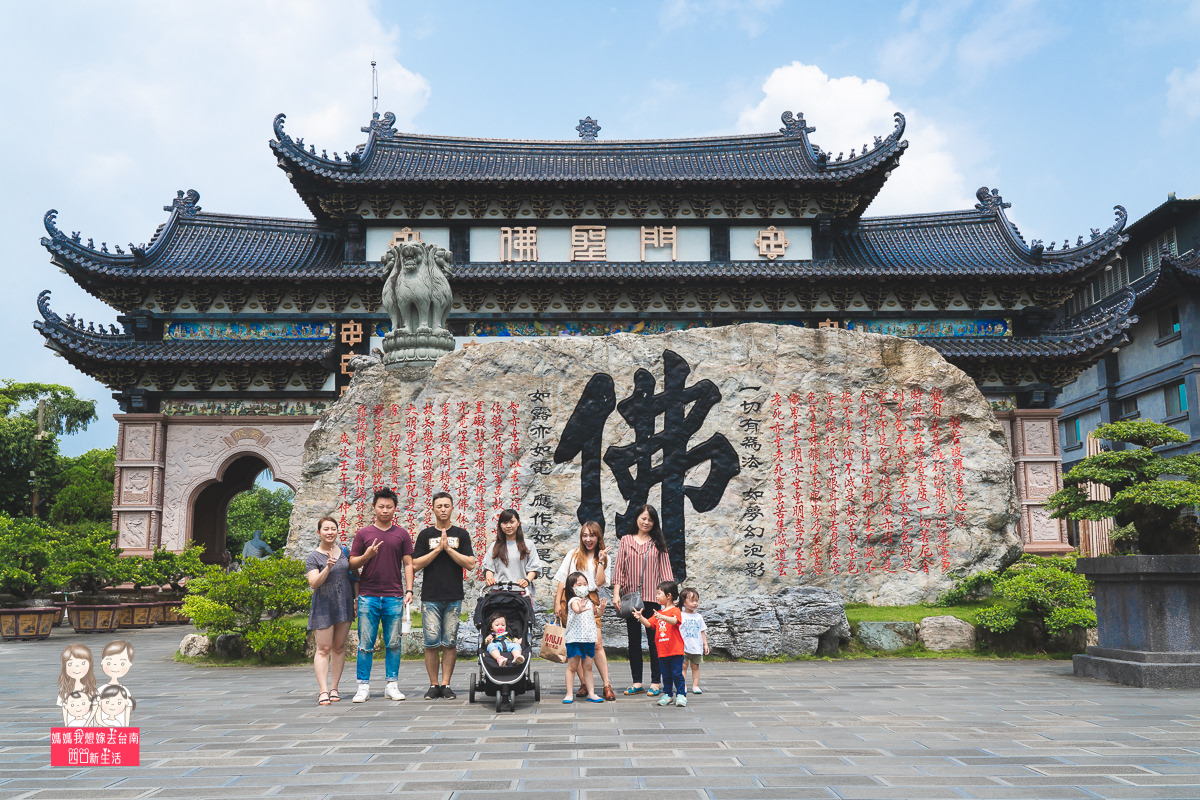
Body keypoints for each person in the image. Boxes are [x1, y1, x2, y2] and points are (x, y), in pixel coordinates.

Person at [349, 487, 415, 703]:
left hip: (394, 596)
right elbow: (352, 564)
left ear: (395, 508)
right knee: (365, 643)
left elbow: (408, 564)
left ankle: (391, 684)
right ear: (374, 508)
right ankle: (363, 686)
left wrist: (409, 590)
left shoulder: (401, 534)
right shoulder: (363, 534)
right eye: (381, 506)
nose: (385, 510)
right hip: (368, 595)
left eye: (389, 506)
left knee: (394, 643)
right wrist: (366, 556)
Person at [412, 491, 475, 700]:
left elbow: (470, 563)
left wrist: (448, 549)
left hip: (453, 596)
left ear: (452, 508)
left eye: (446, 506)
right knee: (431, 642)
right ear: (433, 508)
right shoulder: (425, 535)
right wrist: (438, 549)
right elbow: (415, 564)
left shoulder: (461, 534)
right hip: (430, 596)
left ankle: (446, 684)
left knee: (450, 642)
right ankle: (433, 684)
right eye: (439, 506)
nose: (443, 509)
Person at [611, 504, 675, 696]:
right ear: (637, 518)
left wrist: (669, 600)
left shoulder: (658, 543)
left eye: (650, 519)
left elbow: (666, 572)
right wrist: (616, 594)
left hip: (654, 600)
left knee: (655, 641)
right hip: (631, 600)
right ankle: (637, 682)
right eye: (643, 518)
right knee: (633, 641)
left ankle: (656, 682)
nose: (646, 522)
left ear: (654, 522)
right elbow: (619, 569)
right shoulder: (626, 540)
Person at [553, 521, 615, 701]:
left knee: (597, 644)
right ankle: (583, 684)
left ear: (598, 537)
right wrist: (558, 603)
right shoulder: (573, 554)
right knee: (577, 641)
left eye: (592, 535)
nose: (588, 539)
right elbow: (562, 579)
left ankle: (606, 685)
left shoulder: (604, 557)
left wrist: (602, 561)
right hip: (571, 600)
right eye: (585, 535)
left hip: (592, 598)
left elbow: (601, 582)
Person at [306, 516, 356, 705]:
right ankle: (323, 690)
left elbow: (353, 576)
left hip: (343, 604)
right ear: (319, 532)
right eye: (325, 529)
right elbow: (313, 583)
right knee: (323, 649)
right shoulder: (313, 557)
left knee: (338, 647)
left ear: (337, 531)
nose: (330, 532)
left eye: (333, 528)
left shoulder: (344, 551)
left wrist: (356, 599)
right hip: (324, 606)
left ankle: (335, 687)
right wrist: (327, 568)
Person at [635, 580, 686, 707]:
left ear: (668, 596)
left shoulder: (675, 610)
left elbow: (675, 621)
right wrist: (640, 617)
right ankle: (668, 694)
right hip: (662, 651)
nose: (656, 596)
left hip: (675, 650)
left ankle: (681, 695)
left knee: (677, 674)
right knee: (666, 674)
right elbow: (649, 624)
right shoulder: (659, 614)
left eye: (658, 593)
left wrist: (662, 617)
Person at [562, 571, 604, 704]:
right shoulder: (573, 601)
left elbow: (598, 613)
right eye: (579, 584)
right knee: (572, 667)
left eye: (585, 584)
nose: (583, 587)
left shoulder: (589, 601)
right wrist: (579, 608)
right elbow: (576, 609)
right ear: (571, 588)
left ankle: (591, 693)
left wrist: (601, 608)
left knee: (588, 667)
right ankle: (569, 693)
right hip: (575, 639)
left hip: (589, 639)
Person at [482, 509, 544, 591]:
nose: (508, 526)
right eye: (505, 523)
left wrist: (527, 580)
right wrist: (489, 578)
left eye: (512, 522)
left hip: (522, 592)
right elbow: (489, 567)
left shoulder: (528, 544)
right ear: (500, 525)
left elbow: (534, 567)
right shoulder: (494, 546)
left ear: (518, 523)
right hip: (499, 593)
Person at [679, 587, 710, 695]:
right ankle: (684, 685)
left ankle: (695, 685)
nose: (695, 603)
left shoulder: (698, 617)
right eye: (692, 601)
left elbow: (702, 631)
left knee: (695, 666)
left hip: (696, 646)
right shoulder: (680, 615)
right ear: (683, 602)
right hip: (683, 646)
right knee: (683, 666)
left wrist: (705, 644)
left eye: (696, 601)